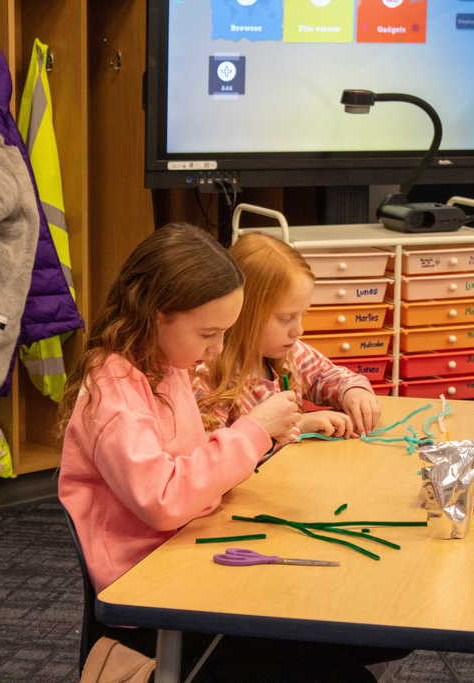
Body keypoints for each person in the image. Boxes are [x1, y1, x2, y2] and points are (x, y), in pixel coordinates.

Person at [59, 224, 404, 681]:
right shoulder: (116, 393)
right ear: (158, 314)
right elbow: (164, 501)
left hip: (194, 557)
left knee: (377, 630)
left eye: (224, 333)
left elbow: (194, 471)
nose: (216, 349)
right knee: (350, 650)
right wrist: (254, 430)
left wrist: (261, 438)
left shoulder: (167, 363)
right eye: (209, 333)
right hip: (157, 594)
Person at [196, 232, 382, 446]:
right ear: (243, 312)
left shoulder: (290, 352)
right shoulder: (210, 378)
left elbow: (325, 375)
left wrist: (353, 392)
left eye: (303, 314)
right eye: (286, 318)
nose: (298, 330)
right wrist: (297, 427)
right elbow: (216, 456)